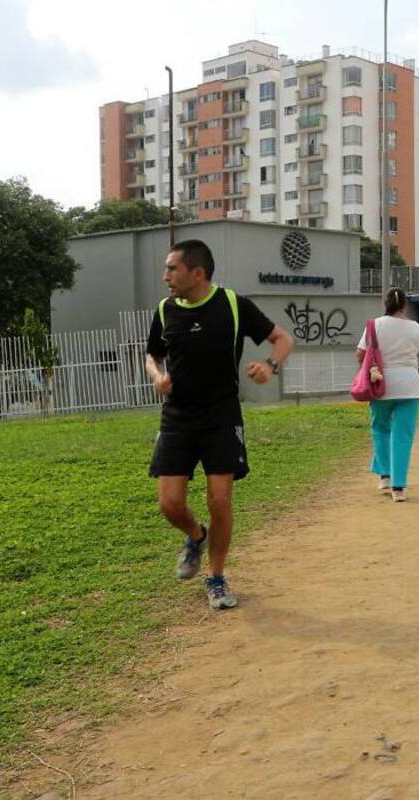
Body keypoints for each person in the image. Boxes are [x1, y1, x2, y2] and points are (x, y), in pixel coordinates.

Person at [146, 239, 294, 610]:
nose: (165, 276)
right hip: (177, 416)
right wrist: (157, 374)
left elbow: (282, 339)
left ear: (197, 273)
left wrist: (269, 366)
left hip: (221, 416)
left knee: (220, 499)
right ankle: (196, 536)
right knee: (169, 504)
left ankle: (216, 577)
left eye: (172, 269)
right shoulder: (165, 310)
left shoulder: (233, 305)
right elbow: (152, 353)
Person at [357, 288, 419, 503]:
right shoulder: (416, 328)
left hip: (381, 384)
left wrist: (370, 368)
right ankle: (399, 488)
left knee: (380, 429)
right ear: (404, 305)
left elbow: (360, 354)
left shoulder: (375, 325)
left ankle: (385, 475)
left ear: (385, 303)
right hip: (409, 386)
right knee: (403, 437)